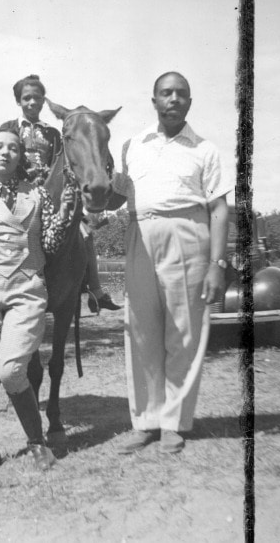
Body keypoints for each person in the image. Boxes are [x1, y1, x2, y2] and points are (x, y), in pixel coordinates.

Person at [108, 72, 231, 455]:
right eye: (166, 93)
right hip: (140, 235)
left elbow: (219, 209)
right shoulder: (133, 145)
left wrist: (217, 263)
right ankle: (146, 421)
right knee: (142, 332)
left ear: (190, 103)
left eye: (181, 94)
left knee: (184, 333)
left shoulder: (205, 150)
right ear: (154, 101)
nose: (173, 99)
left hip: (189, 237)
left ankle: (173, 424)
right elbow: (115, 200)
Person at [0, 128, 75, 474]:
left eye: (13, 148)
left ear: (21, 158)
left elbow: (51, 247)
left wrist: (65, 213)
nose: (5, 152)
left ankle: (38, 444)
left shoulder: (38, 196)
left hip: (26, 287)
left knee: (11, 369)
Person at [0, 74, 120, 312]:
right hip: (19, 200)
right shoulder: (8, 129)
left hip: (50, 202)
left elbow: (62, 168)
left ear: (44, 101)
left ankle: (95, 292)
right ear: (19, 101)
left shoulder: (54, 133)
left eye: (37, 98)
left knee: (84, 233)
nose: (32, 102)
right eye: (27, 98)